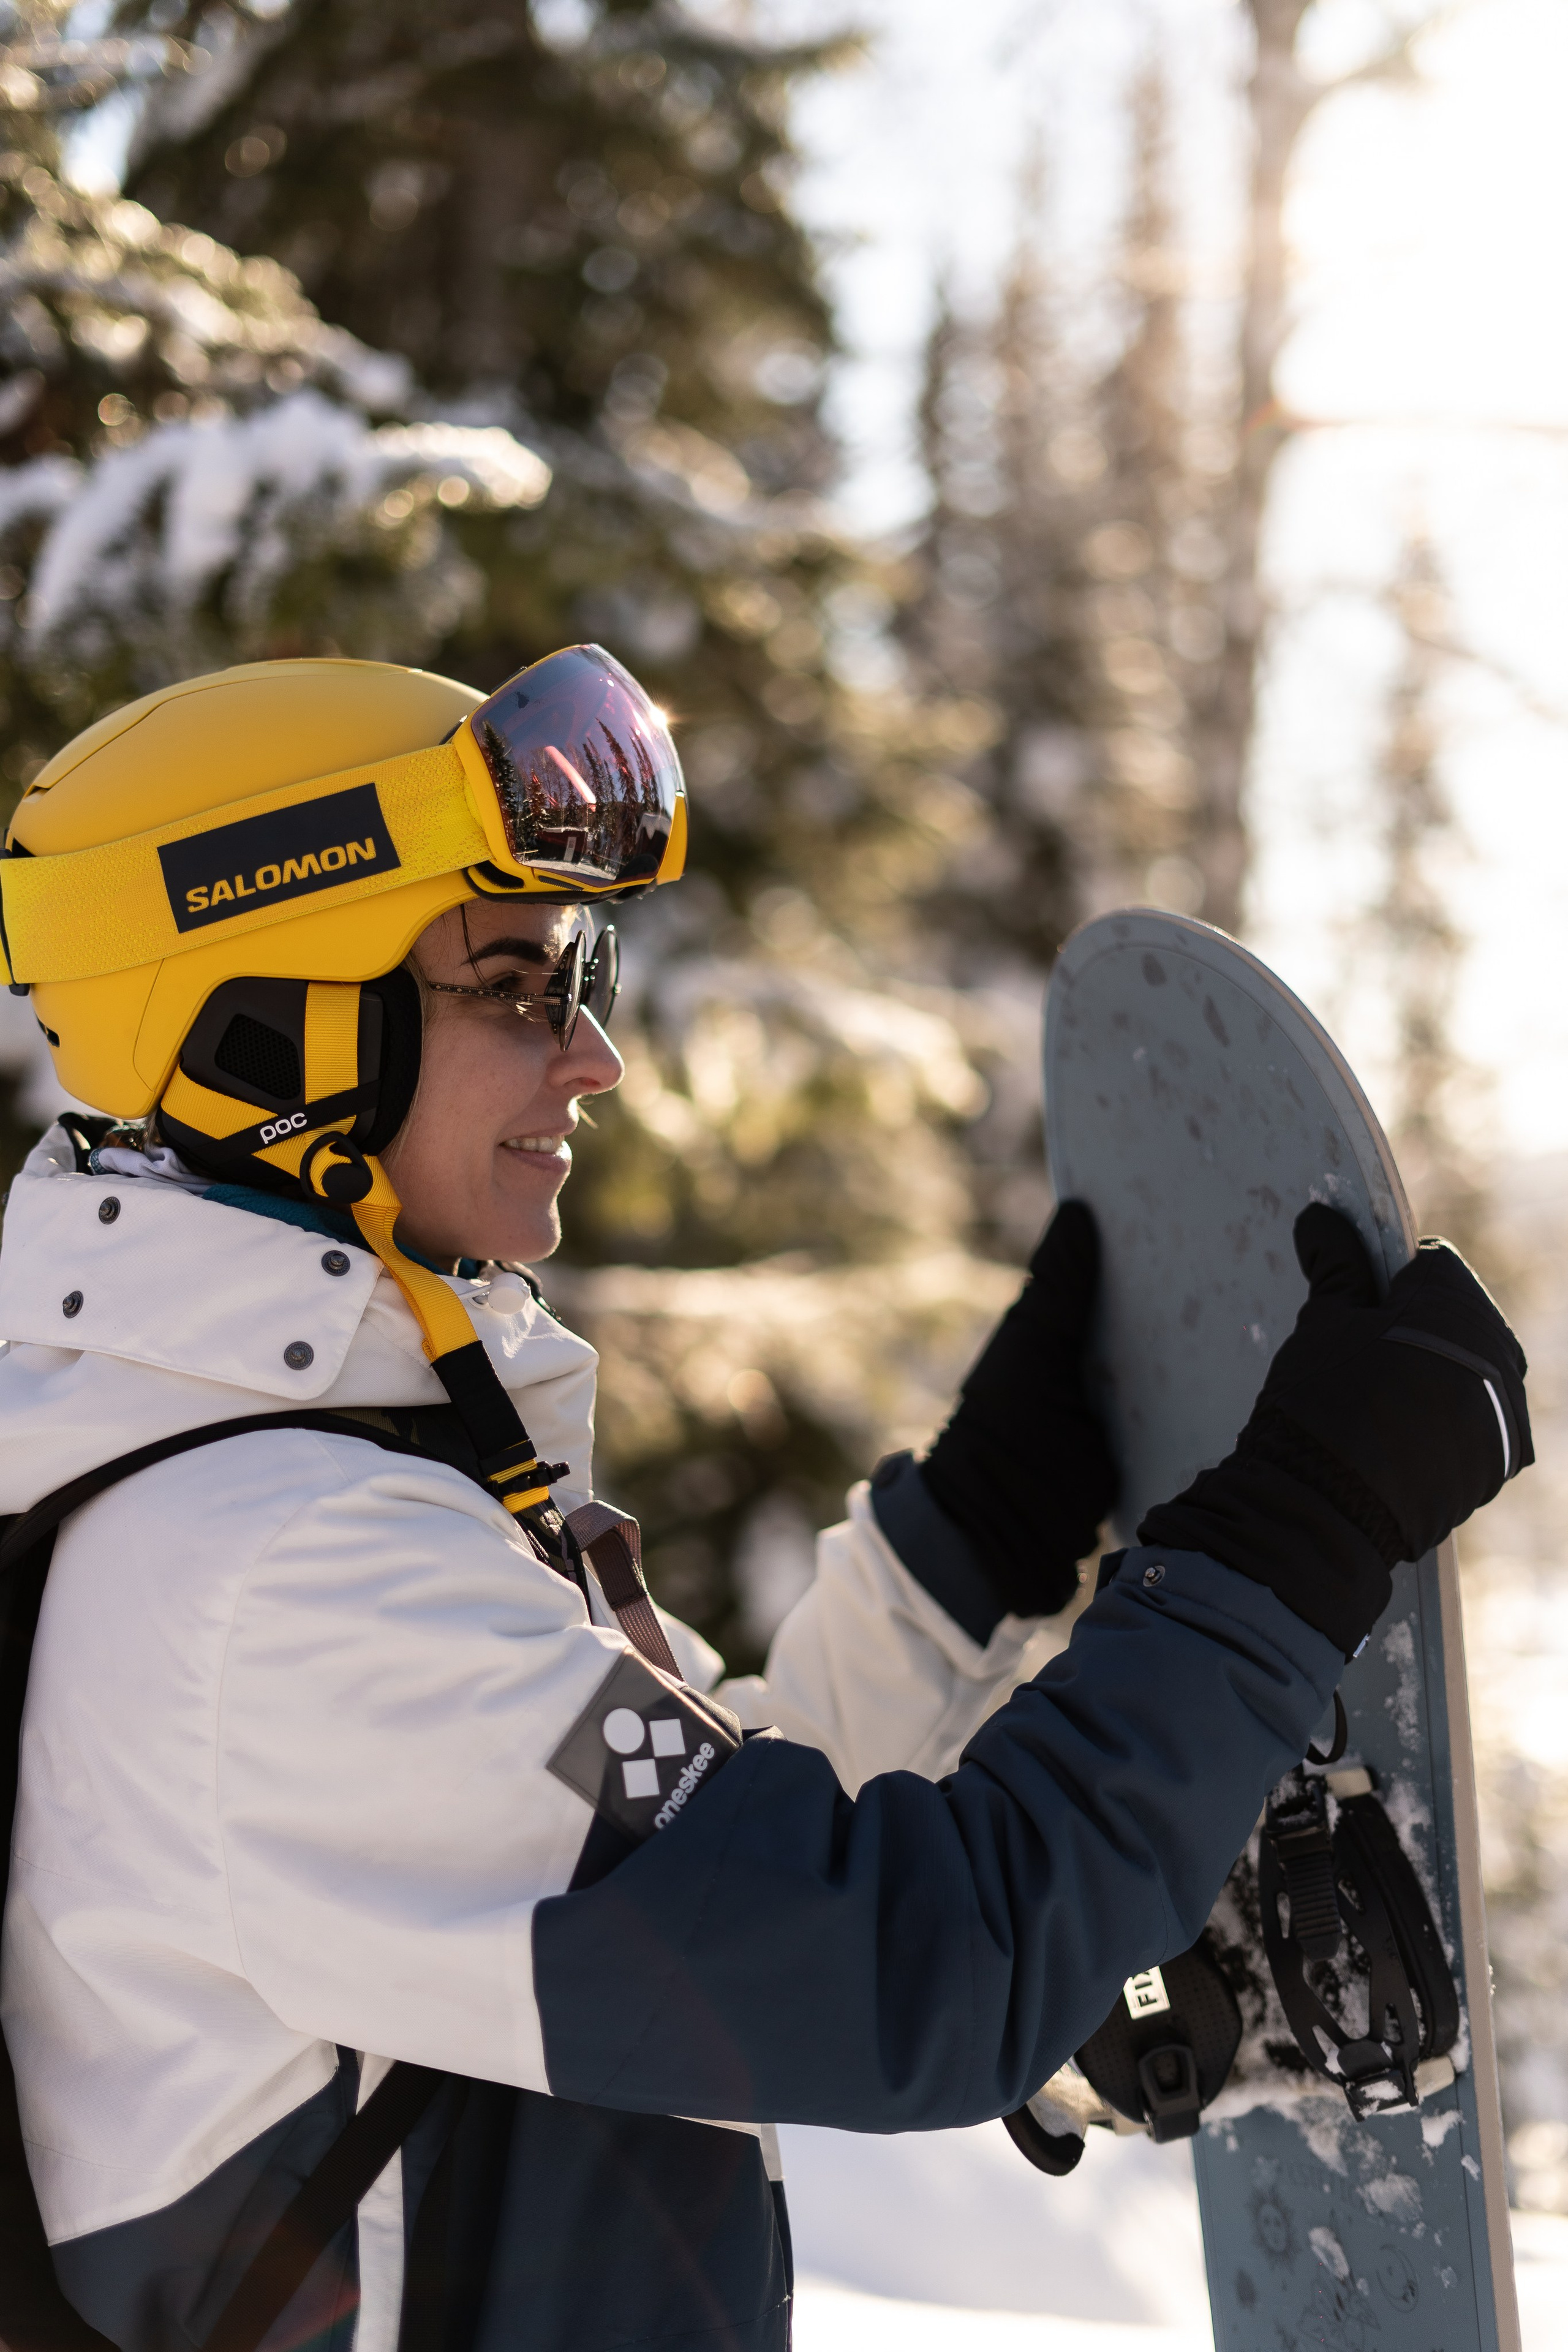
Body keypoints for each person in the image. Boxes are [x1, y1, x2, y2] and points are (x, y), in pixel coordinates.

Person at [0, 648, 1529, 2352]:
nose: (593, 1059)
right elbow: (906, 1967)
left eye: (584, 976)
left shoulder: (291, 1499)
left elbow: (718, 1846)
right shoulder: (282, 1589)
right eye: (513, 982)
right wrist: (1297, 1531)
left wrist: (974, 1533)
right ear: (262, 1027)